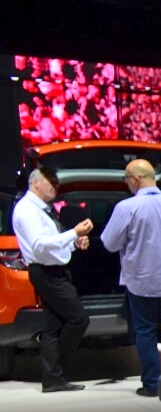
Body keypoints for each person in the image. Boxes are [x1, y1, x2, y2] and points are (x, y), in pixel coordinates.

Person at [100, 159, 161, 397]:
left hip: (142, 283)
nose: (126, 184)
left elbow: (109, 243)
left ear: (136, 179)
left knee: (146, 333)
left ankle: (151, 384)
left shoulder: (127, 207)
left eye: (126, 180)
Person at [11, 166, 95, 391]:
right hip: (46, 272)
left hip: (51, 269)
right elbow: (39, 245)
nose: (55, 186)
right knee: (79, 319)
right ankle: (61, 365)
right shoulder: (28, 209)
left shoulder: (42, 210)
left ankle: (52, 378)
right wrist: (74, 233)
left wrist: (74, 243)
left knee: (52, 326)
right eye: (51, 182)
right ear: (36, 183)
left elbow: (51, 242)